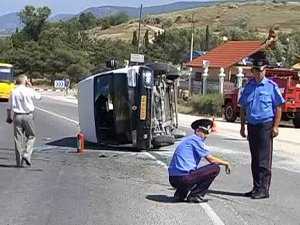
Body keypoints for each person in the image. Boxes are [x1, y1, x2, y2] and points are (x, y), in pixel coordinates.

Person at [239, 59, 285, 199]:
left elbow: (278, 107)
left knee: (264, 159)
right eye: (257, 71)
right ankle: (256, 187)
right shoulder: (249, 86)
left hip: (265, 125)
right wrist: (242, 126)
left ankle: (264, 189)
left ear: (265, 71)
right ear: (253, 71)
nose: (259, 73)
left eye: (262, 70)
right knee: (255, 158)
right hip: (251, 125)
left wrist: (276, 126)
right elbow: (243, 107)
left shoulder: (271, 86)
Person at [168, 119, 231, 203]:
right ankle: (196, 195)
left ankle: (180, 194)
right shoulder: (196, 140)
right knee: (215, 168)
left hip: (173, 178)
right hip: (183, 178)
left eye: (207, 133)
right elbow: (211, 159)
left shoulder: (188, 140)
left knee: (193, 172)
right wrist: (226, 163)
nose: (206, 136)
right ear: (197, 130)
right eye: (204, 133)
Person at [6, 75, 41, 167]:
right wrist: (31, 87)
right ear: (25, 81)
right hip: (28, 116)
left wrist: (9, 117)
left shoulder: (13, 91)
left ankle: (19, 162)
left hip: (17, 116)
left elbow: (9, 107)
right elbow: (38, 97)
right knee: (31, 135)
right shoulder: (28, 90)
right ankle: (27, 153)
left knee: (18, 139)